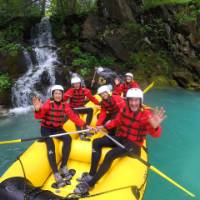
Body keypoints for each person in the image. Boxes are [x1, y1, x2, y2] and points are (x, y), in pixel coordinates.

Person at [74, 88, 166, 195]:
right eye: (131, 100)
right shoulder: (124, 110)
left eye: (136, 100)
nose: (133, 103)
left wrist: (156, 127)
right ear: (128, 101)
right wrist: (102, 126)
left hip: (133, 145)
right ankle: (91, 173)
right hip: (121, 138)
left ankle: (90, 184)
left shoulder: (146, 115)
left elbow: (156, 135)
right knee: (96, 142)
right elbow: (116, 121)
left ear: (140, 101)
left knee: (110, 154)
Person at [32, 85, 89, 188]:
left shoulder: (65, 105)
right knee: (51, 146)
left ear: (62, 95)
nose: (58, 95)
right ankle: (56, 173)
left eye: (59, 93)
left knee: (68, 139)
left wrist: (85, 125)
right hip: (46, 129)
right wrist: (37, 110)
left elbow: (73, 117)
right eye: (56, 93)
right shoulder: (48, 104)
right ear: (53, 95)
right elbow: (39, 116)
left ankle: (63, 166)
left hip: (57, 128)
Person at [63, 76, 99, 141]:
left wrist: (99, 104)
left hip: (81, 107)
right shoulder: (70, 91)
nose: (76, 85)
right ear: (72, 85)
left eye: (78, 83)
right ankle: (81, 135)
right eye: (75, 84)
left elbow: (92, 98)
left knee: (90, 110)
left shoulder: (85, 90)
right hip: (73, 108)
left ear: (80, 83)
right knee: (76, 117)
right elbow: (63, 99)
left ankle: (86, 129)